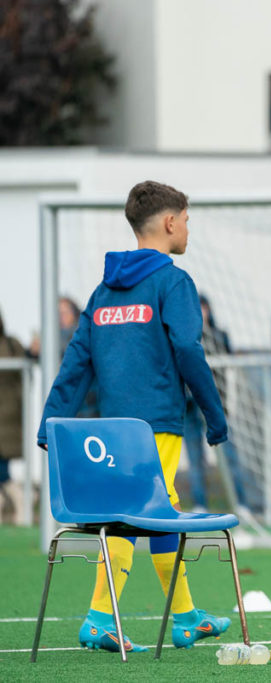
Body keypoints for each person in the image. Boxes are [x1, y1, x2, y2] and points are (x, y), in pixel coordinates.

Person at [36, 180, 232, 654]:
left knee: (154, 514)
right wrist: (214, 413)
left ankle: (185, 618)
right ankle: (102, 618)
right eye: (186, 219)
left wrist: (51, 421)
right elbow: (188, 347)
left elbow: (77, 359)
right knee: (131, 518)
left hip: (111, 432)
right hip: (156, 427)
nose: (188, 228)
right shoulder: (173, 281)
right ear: (169, 222)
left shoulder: (104, 290)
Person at [183, 294, 251, 513]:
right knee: (195, 458)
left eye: (202, 308)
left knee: (228, 455)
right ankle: (199, 503)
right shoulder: (181, 335)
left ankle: (240, 503)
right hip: (190, 406)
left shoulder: (219, 336)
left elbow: (225, 366)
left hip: (214, 405)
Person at [0, 309, 25, 523]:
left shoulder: (11, 344)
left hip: (7, 418)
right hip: (9, 416)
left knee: (3, 469)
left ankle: (20, 504)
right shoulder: (11, 345)